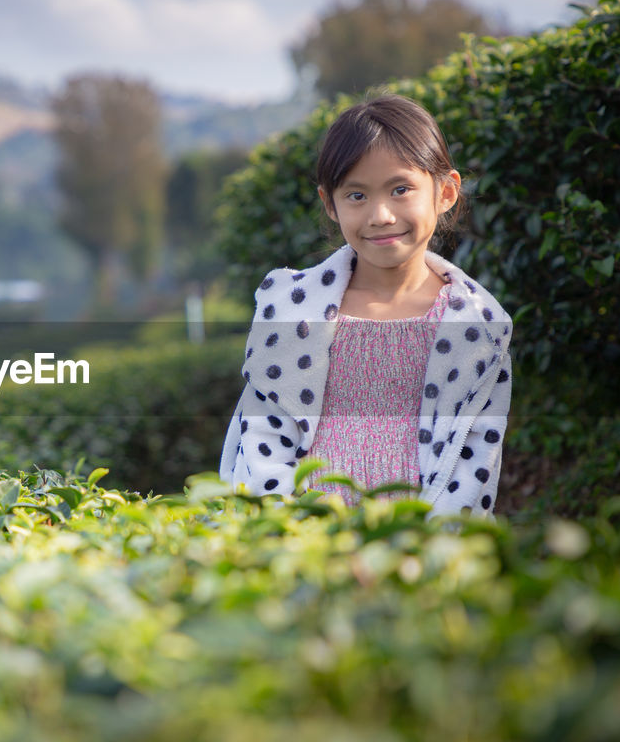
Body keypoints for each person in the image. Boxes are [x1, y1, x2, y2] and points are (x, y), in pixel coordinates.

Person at [218, 93, 512, 520]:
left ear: (446, 191)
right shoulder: (291, 312)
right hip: (299, 551)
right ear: (329, 204)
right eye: (356, 195)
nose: (380, 215)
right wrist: (284, 537)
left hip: (415, 558)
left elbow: (471, 475)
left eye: (400, 189)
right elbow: (263, 442)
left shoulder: (478, 331)